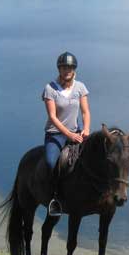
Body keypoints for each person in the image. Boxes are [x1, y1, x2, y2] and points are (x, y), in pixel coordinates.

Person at [42, 51, 90, 216]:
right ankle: (54, 198)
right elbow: (53, 117)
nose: (67, 70)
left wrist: (86, 128)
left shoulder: (80, 87)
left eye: (70, 67)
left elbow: (85, 112)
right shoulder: (50, 89)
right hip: (55, 134)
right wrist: (69, 135)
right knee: (50, 163)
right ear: (59, 69)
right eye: (64, 67)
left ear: (74, 69)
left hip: (76, 133)